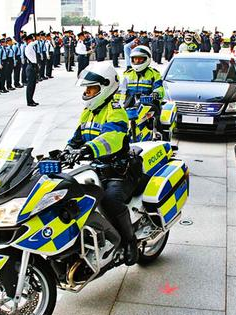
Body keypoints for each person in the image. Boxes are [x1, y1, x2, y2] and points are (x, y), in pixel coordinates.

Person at [67, 62, 139, 266]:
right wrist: (65, 151)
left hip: (119, 170)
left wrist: (88, 149)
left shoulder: (115, 110)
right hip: (97, 169)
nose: (88, 92)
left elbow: (112, 137)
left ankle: (129, 241)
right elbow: (77, 137)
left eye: (92, 89)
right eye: (86, 89)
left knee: (109, 201)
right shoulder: (88, 112)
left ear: (105, 87)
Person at [118, 45, 165, 141]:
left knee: (157, 121)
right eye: (135, 59)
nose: (137, 61)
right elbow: (120, 90)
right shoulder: (127, 74)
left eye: (140, 59)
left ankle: (162, 139)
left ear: (147, 59)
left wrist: (156, 94)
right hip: (130, 104)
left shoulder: (154, 73)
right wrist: (116, 101)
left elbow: (159, 87)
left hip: (149, 104)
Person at [23, 34, 39, 107]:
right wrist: (35, 38)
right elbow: (35, 42)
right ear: (29, 40)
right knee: (30, 85)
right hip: (31, 67)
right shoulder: (28, 47)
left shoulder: (30, 47)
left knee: (33, 85)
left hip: (33, 66)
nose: (32, 40)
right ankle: (29, 101)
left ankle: (31, 99)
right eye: (31, 39)